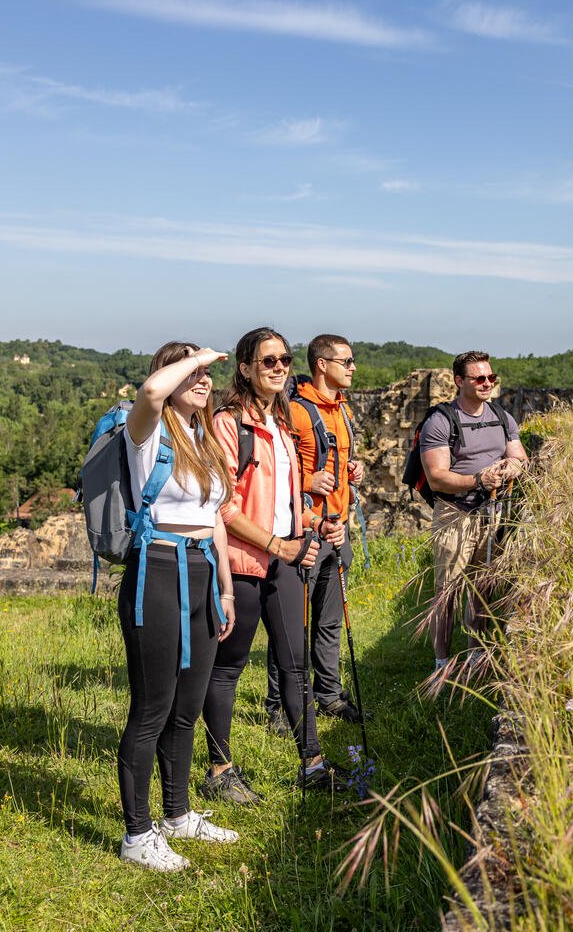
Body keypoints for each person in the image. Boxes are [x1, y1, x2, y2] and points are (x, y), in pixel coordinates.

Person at [204, 327, 348, 797]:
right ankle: (220, 772)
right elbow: (224, 508)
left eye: (284, 359)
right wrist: (277, 544)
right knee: (228, 667)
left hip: (286, 557)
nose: (280, 367)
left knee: (294, 664)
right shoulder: (229, 424)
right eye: (268, 361)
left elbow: (283, 499)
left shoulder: (283, 423)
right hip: (244, 562)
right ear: (245, 368)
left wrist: (313, 521)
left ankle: (313, 764)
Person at [117, 342, 240, 872]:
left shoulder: (202, 437)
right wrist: (197, 357)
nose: (204, 376)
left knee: (187, 707)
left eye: (208, 370)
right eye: (189, 366)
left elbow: (214, 519)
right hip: (157, 570)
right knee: (152, 709)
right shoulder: (146, 431)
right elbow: (149, 391)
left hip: (203, 573)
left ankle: (177, 814)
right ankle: (137, 835)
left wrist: (227, 589)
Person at [420, 351, 527, 673]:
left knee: (483, 586)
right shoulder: (440, 420)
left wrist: (512, 467)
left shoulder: (501, 416)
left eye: (491, 378)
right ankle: (441, 661)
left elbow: (521, 457)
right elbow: (436, 475)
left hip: (492, 513)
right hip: (456, 513)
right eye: (479, 378)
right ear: (459, 381)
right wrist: (477, 479)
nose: (487, 384)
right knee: (447, 592)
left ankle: (476, 655)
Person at [288, 334, 368, 723]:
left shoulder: (343, 410)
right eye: (346, 361)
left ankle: (330, 695)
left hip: (338, 529)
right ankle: (281, 705)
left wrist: (353, 469)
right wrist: (307, 482)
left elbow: (339, 460)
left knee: (330, 620)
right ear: (322, 364)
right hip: (304, 531)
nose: (353, 367)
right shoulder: (297, 411)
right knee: (294, 624)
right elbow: (277, 474)